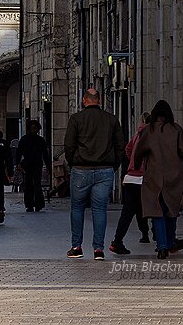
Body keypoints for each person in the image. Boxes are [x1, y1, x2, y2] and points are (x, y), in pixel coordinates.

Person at [64, 88, 124, 260]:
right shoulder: (111, 119)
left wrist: (73, 162)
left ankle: (76, 247)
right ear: (99, 100)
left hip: (81, 169)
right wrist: (113, 166)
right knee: (99, 209)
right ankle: (98, 249)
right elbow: (120, 146)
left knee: (77, 208)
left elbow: (69, 145)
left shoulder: (76, 119)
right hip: (105, 169)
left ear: (84, 100)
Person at [135, 99, 183, 260]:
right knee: (171, 210)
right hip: (174, 175)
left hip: (154, 175)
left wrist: (137, 165)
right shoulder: (176, 129)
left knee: (156, 211)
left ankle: (162, 247)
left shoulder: (149, 130)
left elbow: (138, 151)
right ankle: (171, 241)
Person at [109, 112, 151, 254]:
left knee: (128, 212)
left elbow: (127, 150)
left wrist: (133, 164)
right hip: (144, 178)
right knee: (152, 208)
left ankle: (117, 241)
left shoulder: (137, 134)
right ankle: (158, 237)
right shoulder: (151, 135)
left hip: (131, 177)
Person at [18, 119, 49, 212]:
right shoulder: (24, 140)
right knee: (28, 185)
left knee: (36, 184)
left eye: (35, 128)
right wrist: (17, 164)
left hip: (36, 164)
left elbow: (45, 154)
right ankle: (30, 205)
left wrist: (48, 165)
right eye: (32, 128)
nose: (34, 130)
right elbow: (19, 152)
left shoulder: (40, 140)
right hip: (28, 164)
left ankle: (37, 204)